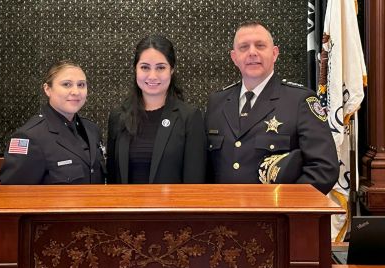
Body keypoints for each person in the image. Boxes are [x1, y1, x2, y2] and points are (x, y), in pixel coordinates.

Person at [205, 21, 339, 194]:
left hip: (276, 216)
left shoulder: (300, 101)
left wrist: (280, 203)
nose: (252, 52)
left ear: (275, 53)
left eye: (260, 46)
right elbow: (206, 169)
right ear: (234, 57)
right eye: (244, 47)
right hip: (224, 215)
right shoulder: (217, 102)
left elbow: (324, 170)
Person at [107, 35, 207, 184]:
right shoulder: (118, 117)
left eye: (160, 67)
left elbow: (194, 182)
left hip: (171, 207)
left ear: (171, 70)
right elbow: (112, 179)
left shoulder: (190, 118)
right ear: (135, 69)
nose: (152, 76)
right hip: (127, 206)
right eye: (145, 67)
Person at [0, 60, 105, 184]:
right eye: (66, 84)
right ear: (47, 89)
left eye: (81, 85)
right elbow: (12, 196)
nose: (76, 92)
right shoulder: (30, 137)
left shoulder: (92, 130)